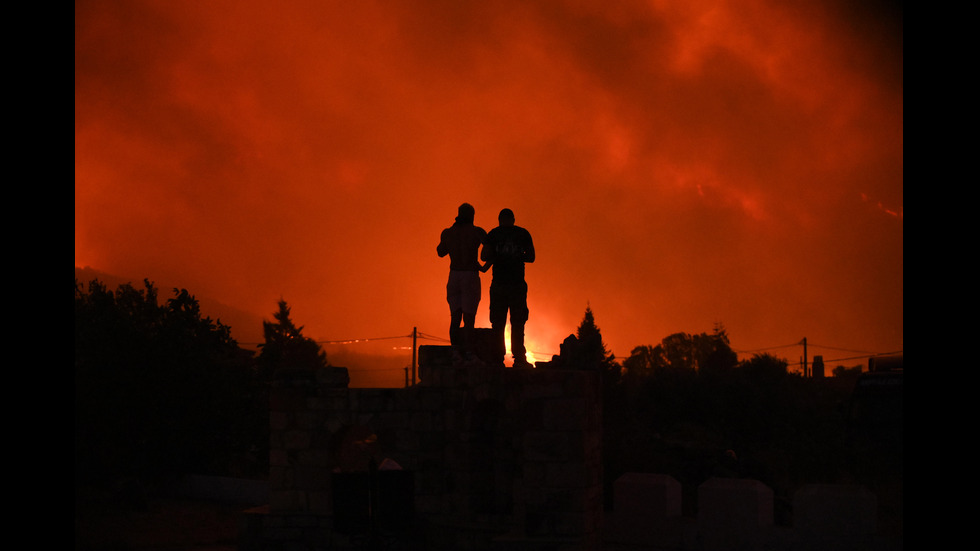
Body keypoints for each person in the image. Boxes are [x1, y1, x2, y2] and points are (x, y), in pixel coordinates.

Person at [481, 208, 535, 368]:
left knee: (498, 323)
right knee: (517, 322)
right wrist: (517, 256)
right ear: (513, 219)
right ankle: (518, 358)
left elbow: (484, 256)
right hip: (516, 284)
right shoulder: (522, 233)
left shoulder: (493, 234)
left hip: (500, 284)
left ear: (499, 219)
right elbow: (531, 257)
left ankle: (498, 358)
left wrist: (498, 256)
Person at [437, 203, 488, 364]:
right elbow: (489, 249)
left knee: (455, 317)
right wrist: (485, 266)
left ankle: (455, 353)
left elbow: (440, 252)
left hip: (453, 276)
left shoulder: (448, 232)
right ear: (472, 215)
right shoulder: (476, 231)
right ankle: (469, 353)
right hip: (470, 275)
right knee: (469, 318)